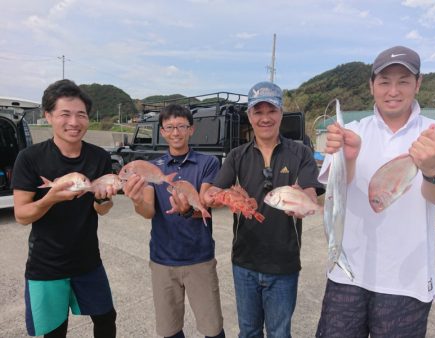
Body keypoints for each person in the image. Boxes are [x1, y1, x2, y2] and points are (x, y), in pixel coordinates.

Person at [315, 46, 435, 338]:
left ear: (418, 83)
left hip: (406, 283)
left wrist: (434, 168)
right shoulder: (350, 130)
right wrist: (348, 158)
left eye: (403, 80)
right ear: (371, 85)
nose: (393, 90)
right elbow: (336, 191)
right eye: (384, 81)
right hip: (347, 274)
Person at [204, 81, 325, 337]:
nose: (265, 118)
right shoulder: (237, 155)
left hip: (284, 263)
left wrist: (304, 199)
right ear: (249, 116)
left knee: (279, 332)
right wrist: (224, 197)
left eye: (271, 110)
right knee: (248, 332)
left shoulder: (301, 152)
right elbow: (212, 194)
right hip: (244, 262)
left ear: (281, 112)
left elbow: (310, 191)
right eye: (258, 112)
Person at [12, 79, 119, 337]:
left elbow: (102, 210)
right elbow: (21, 215)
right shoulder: (30, 158)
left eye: (81, 114)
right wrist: (51, 198)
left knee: (106, 321)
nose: (74, 122)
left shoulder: (99, 157)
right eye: (65, 114)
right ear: (48, 116)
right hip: (46, 266)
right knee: (53, 332)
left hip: (88, 261)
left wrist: (103, 199)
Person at [122, 104, 225, 338]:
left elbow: (205, 204)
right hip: (162, 260)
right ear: (162, 131)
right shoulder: (152, 168)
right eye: (170, 127)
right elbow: (148, 211)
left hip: (199, 257)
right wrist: (137, 200)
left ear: (191, 129)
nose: (176, 132)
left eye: (181, 126)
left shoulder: (207, 163)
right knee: (169, 330)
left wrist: (188, 208)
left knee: (213, 329)